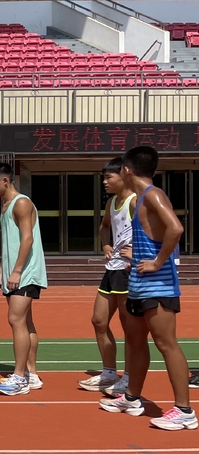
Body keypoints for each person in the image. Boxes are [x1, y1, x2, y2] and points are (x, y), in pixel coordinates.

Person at [99, 146, 196, 430]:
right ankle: (131, 397)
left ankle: (184, 410)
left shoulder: (152, 194)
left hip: (159, 284)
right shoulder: (140, 198)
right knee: (135, 341)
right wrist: (137, 257)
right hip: (138, 283)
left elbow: (175, 228)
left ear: (127, 170)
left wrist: (155, 262)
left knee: (166, 343)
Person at [0, 162, 47, 397]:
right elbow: (10, 242)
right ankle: (32, 374)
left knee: (15, 320)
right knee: (25, 323)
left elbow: (27, 239)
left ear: (5, 181)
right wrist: (3, 268)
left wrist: (18, 271)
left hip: (26, 272)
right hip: (15, 272)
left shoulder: (21, 203)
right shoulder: (6, 205)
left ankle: (19, 377)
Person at [79, 158, 136, 394]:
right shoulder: (112, 202)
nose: (104, 181)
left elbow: (160, 232)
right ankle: (109, 372)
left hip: (127, 271)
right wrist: (105, 245)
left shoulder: (135, 202)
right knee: (99, 321)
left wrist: (139, 253)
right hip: (112, 268)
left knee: (129, 327)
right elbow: (104, 227)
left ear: (124, 176)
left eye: (108, 177)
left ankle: (130, 377)